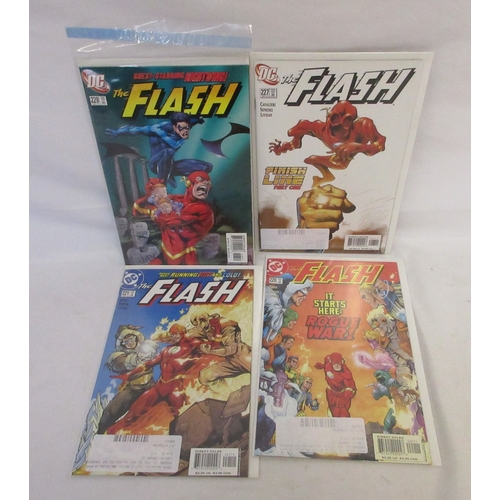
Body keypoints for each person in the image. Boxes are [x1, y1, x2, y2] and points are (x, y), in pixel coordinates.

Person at [106, 112, 212, 187]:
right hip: (155, 164)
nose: (185, 131)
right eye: (181, 128)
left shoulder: (185, 125)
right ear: (174, 127)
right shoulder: (156, 129)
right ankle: (162, 185)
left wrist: (199, 119)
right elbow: (135, 129)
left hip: (169, 165)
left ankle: (169, 175)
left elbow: (193, 120)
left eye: (187, 128)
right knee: (169, 151)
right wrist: (117, 132)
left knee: (207, 167)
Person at [136, 171, 215, 265]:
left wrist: (161, 213)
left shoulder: (204, 210)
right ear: (188, 183)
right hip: (165, 253)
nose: (204, 189)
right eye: (201, 185)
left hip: (186, 257)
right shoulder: (174, 199)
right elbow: (141, 210)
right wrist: (149, 196)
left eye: (207, 186)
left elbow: (168, 221)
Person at [97, 325, 158, 434]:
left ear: (136, 338)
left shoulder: (146, 347)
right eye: (126, 342)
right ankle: (101, 434)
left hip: (150, 385)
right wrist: (137, 359)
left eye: (131, 339)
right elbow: (120, 364)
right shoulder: (118, 355)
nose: (129, 343)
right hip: (132, 389)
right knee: (109, 413)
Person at [315, 352, 356, 417]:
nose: (337, 365)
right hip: (332, 394)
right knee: (335, 412)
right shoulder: (328, 365)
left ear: (342, 362)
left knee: (343, 413)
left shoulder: (346, 373)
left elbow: (351, 386)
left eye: (338, 363)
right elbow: (326, 363)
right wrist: (323, 367)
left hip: (343, 395)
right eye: (334, 363)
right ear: (331, 362)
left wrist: (344, 397)